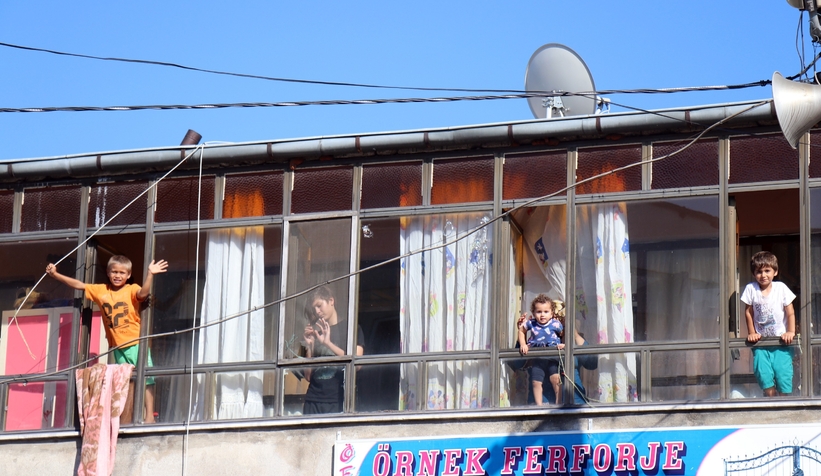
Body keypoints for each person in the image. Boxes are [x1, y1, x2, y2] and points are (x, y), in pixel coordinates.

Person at [46, 255, 168, 422]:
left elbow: (143, 293)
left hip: (135, 342)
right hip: (117, 345)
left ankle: (149, 416)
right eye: (114, 272)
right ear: (108, 273)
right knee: (124, 380)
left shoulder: (131, 289)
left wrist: (150, 274)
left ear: (129, 275)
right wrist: (55, 275)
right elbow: (79, 285)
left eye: (122, 273)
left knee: (146, 378)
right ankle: (128, 416)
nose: (118, 276)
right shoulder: (101, 290)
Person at [741, 251, 797, 397]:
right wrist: (752, 332)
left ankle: (784, 402)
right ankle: (770, 399)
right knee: (762, 371)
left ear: (775, 272)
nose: (763, 275)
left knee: (782, 372)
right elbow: (748, 312)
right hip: (761, 343)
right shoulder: (751, 289)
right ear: (754, 273)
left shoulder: (781, 288)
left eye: (767, 271)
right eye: (759, 272)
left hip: (781, 341)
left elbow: (790, 311)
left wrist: (790, 331)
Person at [301, 286, 364, 414]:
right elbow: (308, 376)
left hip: (339, 399)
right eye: (314, 309)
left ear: (331, 301)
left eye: (319, 305)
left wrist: (328, 343)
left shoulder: (351, 328)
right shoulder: (316, 332)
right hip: (313, 399)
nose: (317, 311)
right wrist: (309, 346)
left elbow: (357, 364)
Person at [517, 294, 564, 405]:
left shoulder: (556, 324)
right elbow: (521, 331)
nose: (542, 315)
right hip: (538, 356)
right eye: (539, 312)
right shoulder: (531, 323)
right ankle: (539, 405)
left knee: (556, 379)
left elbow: (563, 333)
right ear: (533, 313)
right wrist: (523, 344)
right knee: (536, 381)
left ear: (552, 313)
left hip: (553, 354)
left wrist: (563, 344)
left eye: (546, 312)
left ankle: (559, 404)